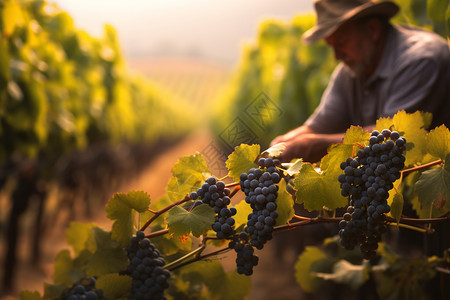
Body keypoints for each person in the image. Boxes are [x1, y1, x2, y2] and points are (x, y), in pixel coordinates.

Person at [271, 0, 450, 163]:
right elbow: (319, 127)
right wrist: (282, 144)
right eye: (331, 46)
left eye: (341, 42)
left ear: (373, 29)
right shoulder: (348, 71)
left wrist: (312, 146)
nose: (336, 56)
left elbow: (392, 138)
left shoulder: (422, 60)